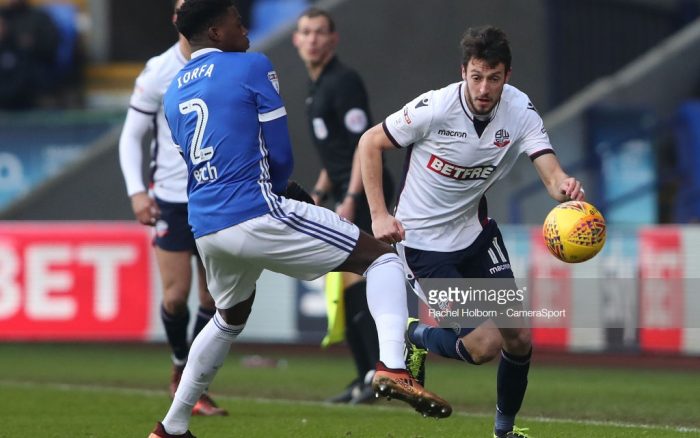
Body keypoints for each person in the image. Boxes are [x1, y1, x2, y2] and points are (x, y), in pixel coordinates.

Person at [148, 1, 452, 436]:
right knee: (382, 258)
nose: (245, 25)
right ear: (216, 32)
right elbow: (281, 158)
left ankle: (171, 427)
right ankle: (392, 367)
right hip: (254, 210)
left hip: (206, 224)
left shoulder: (174, 89)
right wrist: (290, 192)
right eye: (236, 18)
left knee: (229, 317)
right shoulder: (251, 66)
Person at [358, 26, 585, 438]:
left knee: (517, 337)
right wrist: (377, 215)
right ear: (463, 71)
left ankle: (504, 431)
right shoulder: (435, 107)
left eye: (493, 78)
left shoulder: (519, 110)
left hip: (476, 235)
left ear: (507, 76)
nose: (484, 87)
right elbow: (370, 143)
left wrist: (564, 188)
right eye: (476, 76)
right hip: (424, 246)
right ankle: (417, 335)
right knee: (484, 346)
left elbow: (549, 171)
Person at [118, 0, 226, 417]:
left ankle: (191, 381)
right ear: (175, 18)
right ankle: (181, 367)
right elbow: (131, 136)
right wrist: (136, 193)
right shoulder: (159, 69)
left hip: (215, 195)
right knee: (176, 297)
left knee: (214, 300)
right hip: (170, 199)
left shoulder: (226, 65)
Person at [293, 7, 395, 404]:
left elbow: (363, 145)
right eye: (307, 32)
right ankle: (365, 377)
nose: (314, 38)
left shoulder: (343, 82)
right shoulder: (315, 87)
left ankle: (376, 377)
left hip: (366, 194)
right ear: (296, 40)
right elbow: (334, 154)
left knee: (358, 280)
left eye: (321, 32)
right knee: (345, 283)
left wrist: (352, 198)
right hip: (343, 194)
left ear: (333, 40)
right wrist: (319, 194)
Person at [0, 0, 59, 109]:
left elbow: (51, 46)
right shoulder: (3, 15)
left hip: (31, 88)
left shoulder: (39, 18)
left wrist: (31, 45)